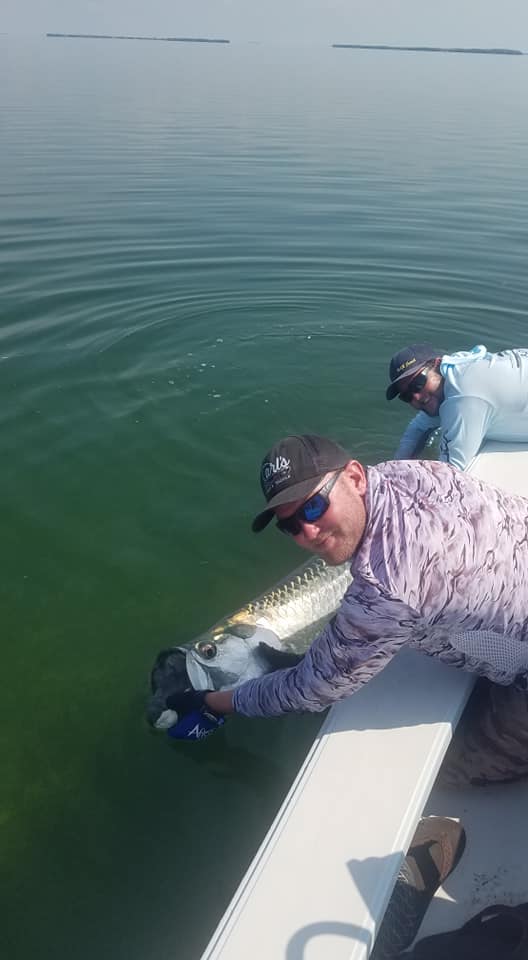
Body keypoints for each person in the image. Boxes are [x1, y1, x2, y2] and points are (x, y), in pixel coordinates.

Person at [168, 434, 528, 727]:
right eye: (289, 525)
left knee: (452, 771)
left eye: (313, 506)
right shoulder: (410, 473)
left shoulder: (386, 588)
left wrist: (213, 703)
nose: (307, 530)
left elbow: (312, 688)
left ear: (355, 477)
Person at [385, 343, 528, 470]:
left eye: (418, 385)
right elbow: (418, 427)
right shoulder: (456, 367)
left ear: (436, 364)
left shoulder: (463, 395)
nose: (415, 398)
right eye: (406, 396)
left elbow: (449, 472)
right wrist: (395, 468)